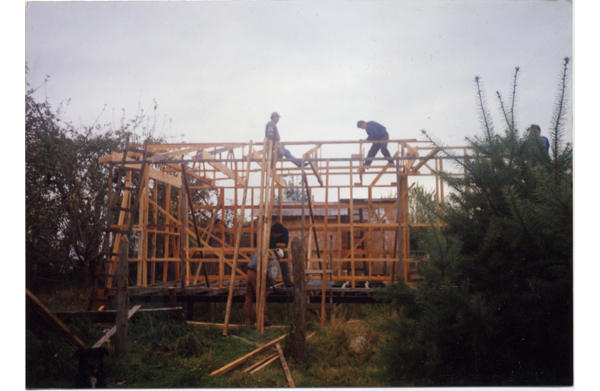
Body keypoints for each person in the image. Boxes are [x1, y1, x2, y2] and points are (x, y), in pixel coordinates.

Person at [245, 249, 282, 326]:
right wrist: (270, 282)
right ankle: (263, 320)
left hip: (249, 274)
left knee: (248, 298)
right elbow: (272, 275)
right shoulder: (272, 258)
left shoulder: (261, 251)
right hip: (256, 276)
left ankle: (248, 320)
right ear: (278, 256)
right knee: (261, 297)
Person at [270, 221, 293, 288]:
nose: (276, 236)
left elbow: (285, 244)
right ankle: (270, 283)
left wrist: (278, 245)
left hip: (282, 250)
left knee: (285, 266)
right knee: (271, 265)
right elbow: (268, 244)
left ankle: (288, 284)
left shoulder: (285, 230)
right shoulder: (269, 231)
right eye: (275, 235)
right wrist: (277, 244)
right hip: (271, 250)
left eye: (278, 235)